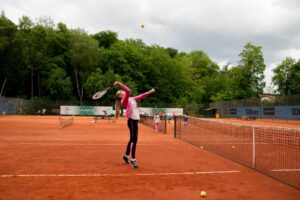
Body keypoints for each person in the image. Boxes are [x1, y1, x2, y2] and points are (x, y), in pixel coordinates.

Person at [114, 81, 155, 169]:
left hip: (134, 121)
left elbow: (141, 96)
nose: (123, 91)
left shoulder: (131, 99)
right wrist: (119, 84)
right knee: (134, 140)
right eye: (121, 91)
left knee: (132, 139)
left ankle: (126, 156)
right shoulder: (124, 100)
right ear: (120, 96)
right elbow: (128, 90)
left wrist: (149, 92)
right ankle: (133, 159)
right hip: (132, 121)